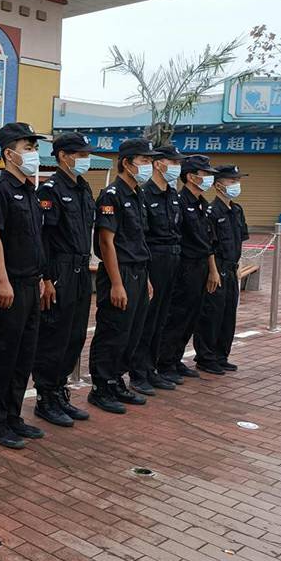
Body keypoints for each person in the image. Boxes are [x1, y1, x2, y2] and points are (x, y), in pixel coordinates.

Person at [0, 122, 46, 449]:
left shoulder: (30, 191)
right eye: (27, 148)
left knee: (24, 354)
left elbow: (33, 240)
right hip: (10, 286)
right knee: (2, 354)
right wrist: (2, 281)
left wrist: (41, 277)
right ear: (9, 154)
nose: (34, 154)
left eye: (35, 148)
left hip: (32, 284)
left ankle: (12, 415)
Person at [87, 138, 158, 414]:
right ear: (127, 163)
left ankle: (116, 380)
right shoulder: (112, 195)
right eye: (144, 160)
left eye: (150, 161)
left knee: (132, 331)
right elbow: (106, 243)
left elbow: (139, 240)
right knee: (113, 331)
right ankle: (101, 387)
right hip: (119, 272)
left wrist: (146, 278)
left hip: (138, 271)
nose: (149, 165)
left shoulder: (138, 194)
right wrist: (117, 283)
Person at [32, 132, 95, 428]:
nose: (85, 159)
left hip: (81, 269)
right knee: (54, 336)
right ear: (63, 156)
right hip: (60, 270)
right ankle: (45, 397)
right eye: (80, 154)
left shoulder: (84, 188)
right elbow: (43, 238)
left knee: (75, 335)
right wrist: (46, 278)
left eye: (86, 154)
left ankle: (59, 391)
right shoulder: (51, 190)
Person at [128, 143, 187, 396]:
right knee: (147, 319)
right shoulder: (145, 193)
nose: (177, 167)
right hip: (153, 260)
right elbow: (141, 235)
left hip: (173, 259)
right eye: (173, 162)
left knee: (163, 318)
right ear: (159, 164)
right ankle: (138, 372)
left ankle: (152, 368)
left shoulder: (172, 194)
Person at [156, 155, 219, 384]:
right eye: (205, 174)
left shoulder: (203, 204)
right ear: (191, 177)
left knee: (192, 316)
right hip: (184, 267)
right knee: (177, 316)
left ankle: (175, 359)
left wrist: (212, 269)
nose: (209, 178)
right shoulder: (179, 201)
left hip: (200, 267)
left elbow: (209, 241)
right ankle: (164, 363)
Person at [193, 165, 249, 374]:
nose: (236, 185)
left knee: (228, 314)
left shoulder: (237, 210)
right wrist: (213, 271)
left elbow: (240, 240)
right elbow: (209, 244)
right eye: (232, 181)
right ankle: (206, 358)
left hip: (232, 268)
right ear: (218, 186)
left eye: (238, 181)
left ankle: (221, 355)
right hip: (218, 268)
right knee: (212, 315)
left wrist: (239, 265)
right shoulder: (211, 211)